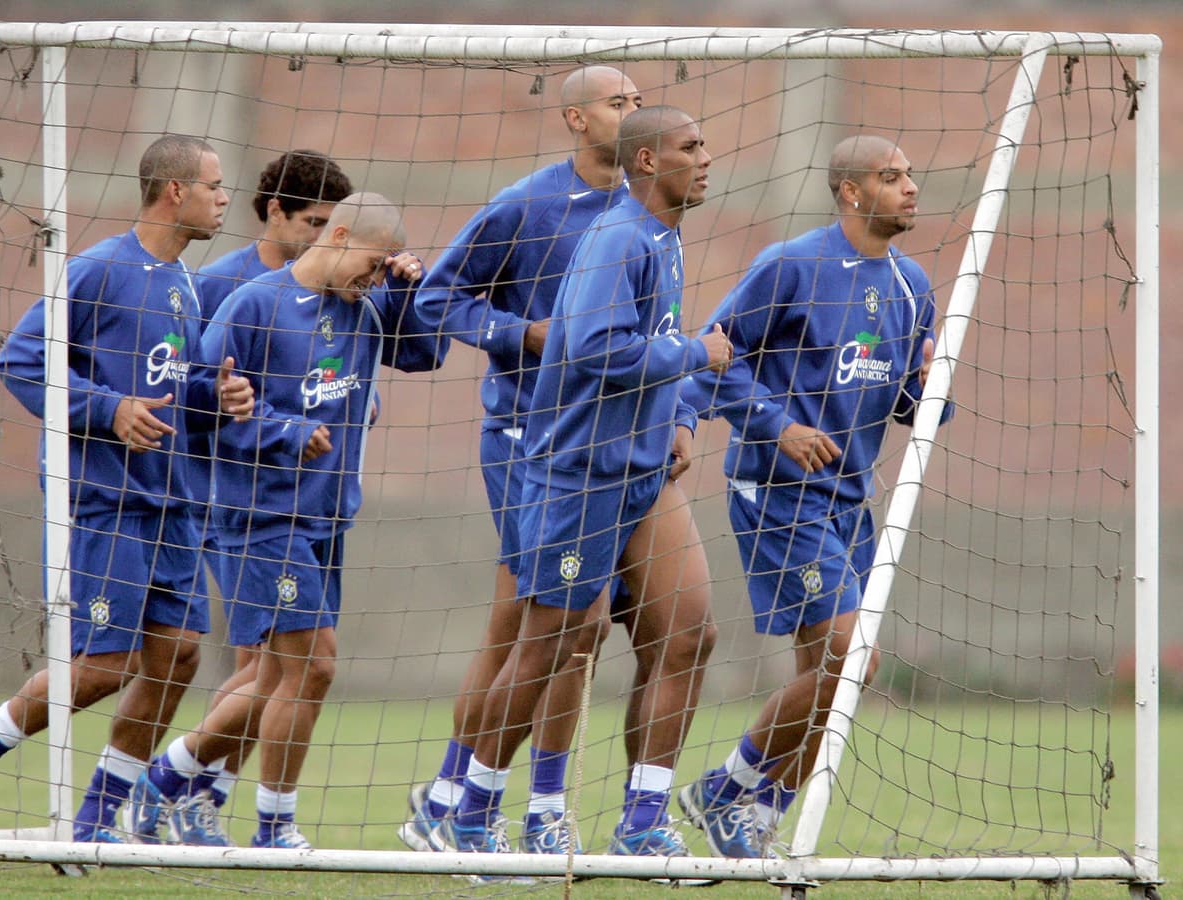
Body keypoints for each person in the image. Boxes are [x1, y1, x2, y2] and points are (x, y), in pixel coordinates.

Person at [0, 134, 254, 842]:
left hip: (174, 499)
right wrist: (108, 409)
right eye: (215, 186)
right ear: (174, 192)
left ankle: (98, 818)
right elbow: (21, 360)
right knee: (105, 665)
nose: (226, 198)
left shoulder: (184, 280)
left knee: (180, 656)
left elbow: (164, 383)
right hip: (106, 502)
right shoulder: (99, 270)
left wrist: (213, 395)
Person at [439, 105, 732, 869]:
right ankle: (469, 814)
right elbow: (598, 348)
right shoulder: (617, 238)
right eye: (689, 147)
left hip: (642, 468)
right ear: (645, 162)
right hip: (577, 474)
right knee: (552, 645)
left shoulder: (663, 235)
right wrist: (696, 354)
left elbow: (639, 349)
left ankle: (643, 819)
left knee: (690, 631)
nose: (707, 158)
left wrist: (672, 415)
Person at [123, 192, 447, 850]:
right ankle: (273, 824)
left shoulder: (371, 304)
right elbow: (197, 398)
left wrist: (408, 292)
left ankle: (167, 777)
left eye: (386, 268)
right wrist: (274, 424)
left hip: (327, 515)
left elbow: (423, 356)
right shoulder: (254, 303)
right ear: (341, 233)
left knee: (273, 675)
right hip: (260, 514)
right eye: (373, 262)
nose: (374, 277)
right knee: (314, 669)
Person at [677, 135, 950, 858]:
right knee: (851, 658)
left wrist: (933, 385)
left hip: (849, 499)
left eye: (910, 174)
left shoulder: (911, 284)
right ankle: (727, 789)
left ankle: (754, 820)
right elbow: (710, 357)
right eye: (891, 177)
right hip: (778, 489)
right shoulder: (792, 265)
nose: (910, 187)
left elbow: (911, 405)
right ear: (851, 192)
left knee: (826, 677)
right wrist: (780, 425)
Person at [406, 65, 643, 858]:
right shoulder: (526, 204)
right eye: (619, 102)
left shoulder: (648, 207)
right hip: (529, 441)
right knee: (530, 624)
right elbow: (437, 299)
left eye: (641, 101)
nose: (633, 112)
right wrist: (523, 334)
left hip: (613, 443)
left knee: (580, 631)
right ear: (576, 118)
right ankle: (457, 800)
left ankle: (532, 805)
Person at [130, 150, 354, 843]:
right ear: (276, 212)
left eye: (332, 225)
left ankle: (198, 791)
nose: (321, 238)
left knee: (281, 668)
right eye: (311, 222)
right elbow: (192, 391)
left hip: (315, 498)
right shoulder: (225, 285)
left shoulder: (343, 290)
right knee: (278, 665)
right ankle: (183, 788)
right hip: (233, 498)